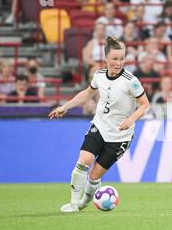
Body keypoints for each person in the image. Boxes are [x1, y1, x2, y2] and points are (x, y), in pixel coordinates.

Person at [48, 37, 150, 213]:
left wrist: (131, 119)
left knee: (94, 176)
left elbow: (145, 105)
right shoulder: (99, 76)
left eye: (122, 59)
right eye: (115, 59)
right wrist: (65, 107)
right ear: (106, 59)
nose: (119, 63)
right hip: (100, 127)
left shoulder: (131, 81)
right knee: (83, 161)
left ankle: (83, 203)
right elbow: (87, 94)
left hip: (120, 136)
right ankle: (73, 203)